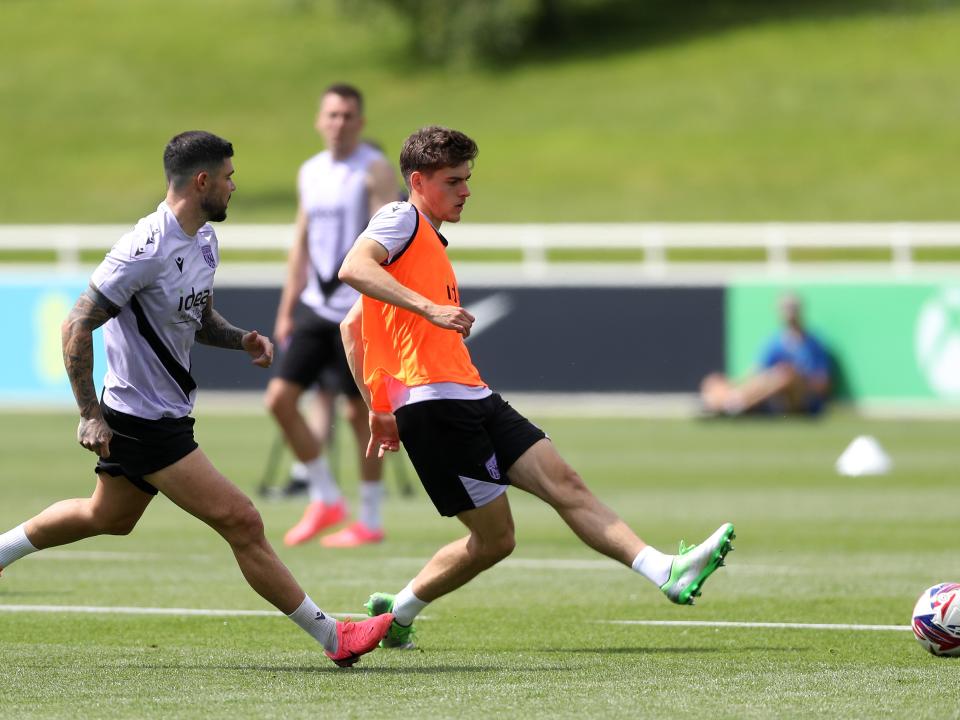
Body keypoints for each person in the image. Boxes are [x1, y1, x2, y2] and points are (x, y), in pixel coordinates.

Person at [0, 131, 392, 667]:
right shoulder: (143, 248)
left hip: (163, 414)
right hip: (144, 421)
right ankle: (334, 638)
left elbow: (196, 315)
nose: (235, 185)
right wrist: (90, 414)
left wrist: (240, 339)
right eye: (228, 176)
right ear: (201, 181)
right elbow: (76, 323)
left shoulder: (204, 239)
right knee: (243, 520)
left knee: (108, 516)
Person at [336, 125, 736, 650]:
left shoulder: (426, 237)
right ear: (418, 180)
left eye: (468, 179)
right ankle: (400, 613)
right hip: (435, 408)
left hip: (471, 395)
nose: (466, 190)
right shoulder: (399, 217)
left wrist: (376, 406)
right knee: (496, 540)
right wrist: (425, 318)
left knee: (564, 483)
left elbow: (351, 327)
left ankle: (666, 570)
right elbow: (352, 267)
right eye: (454, 181)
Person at [264, 84, 400, 548]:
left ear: (360, 122)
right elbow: (301, 243)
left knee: (358, 413)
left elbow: (389, 244)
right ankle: (325, 498)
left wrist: (378, 307)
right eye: (332, 115)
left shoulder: (374, 170)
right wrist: (287, 310)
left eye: (348, 116)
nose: (339, 123)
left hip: (357, 309)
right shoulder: (310, 172)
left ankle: (370, 517)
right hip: (315, 309)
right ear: (320, 120)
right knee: (279, 400)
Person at [700, 293, 831, 416]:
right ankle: (733, 402)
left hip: (802, 400)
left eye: (792, 308)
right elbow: (757, 372)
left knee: (784, 375)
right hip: (773, 397)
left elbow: (822, 384)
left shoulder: (813, 344)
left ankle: (734, 404)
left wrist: (794, 377)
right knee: (714, 381)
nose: (790, 313)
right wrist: (734, 383)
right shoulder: (775, 341)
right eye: (785, 308)